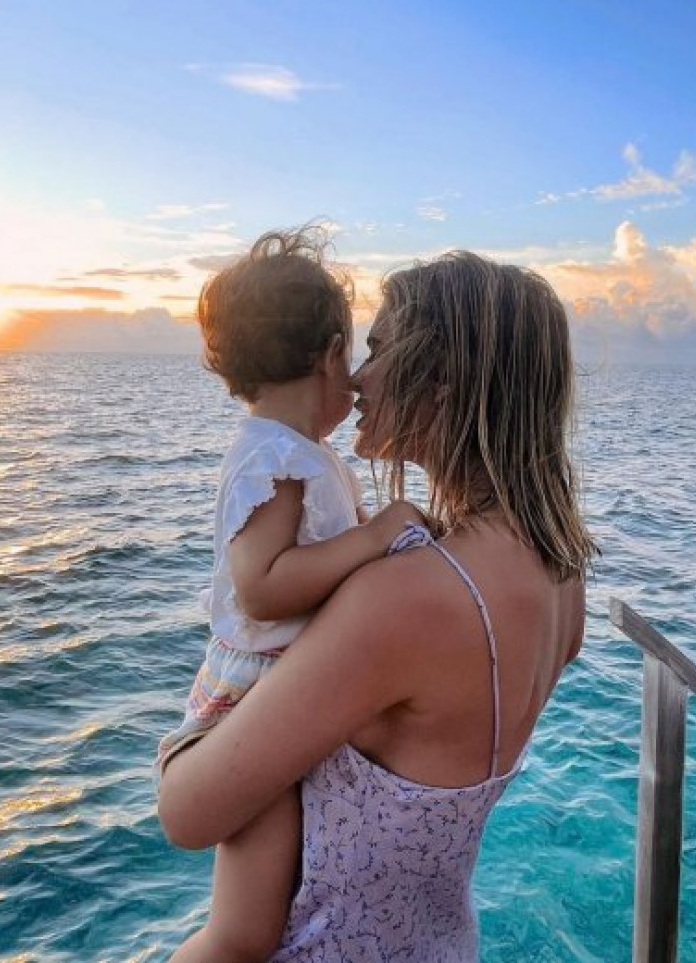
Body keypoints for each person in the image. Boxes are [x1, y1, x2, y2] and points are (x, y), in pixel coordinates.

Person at [160, 250, 597, 962]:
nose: (356, 375)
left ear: (445, 382)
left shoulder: (405, 599)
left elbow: (186, 813)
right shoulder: (561, 578)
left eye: (378, 348)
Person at [158, 228, 422, 963]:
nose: (362, 375)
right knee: (244, 931)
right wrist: (372, 540)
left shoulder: (297, 454)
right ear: (330, 353)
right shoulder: (275, 457)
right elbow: (264, 587)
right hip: (251, 697)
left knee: (279, 906)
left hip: (279, 687)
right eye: (356, 356)